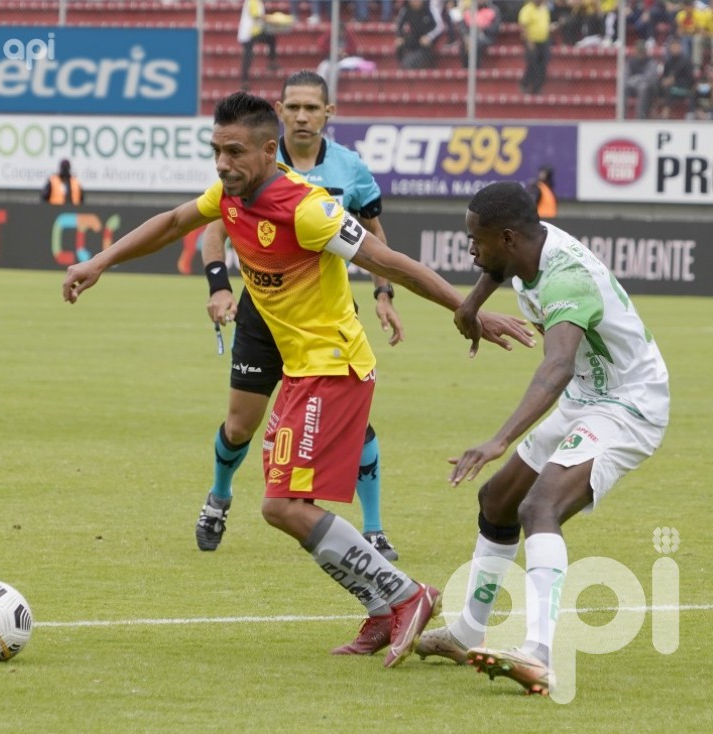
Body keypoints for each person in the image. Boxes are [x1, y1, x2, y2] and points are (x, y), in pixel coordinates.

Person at [62, 92, 535, 665]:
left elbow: (392, 262)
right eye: (215, 150)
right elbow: (173, 222)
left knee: (282, 505)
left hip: (333, 368)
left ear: (268, 149)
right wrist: (99, 262)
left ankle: (407, 595)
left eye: (234, 151)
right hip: (301, 372)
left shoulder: (308, 210)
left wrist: (469, 311)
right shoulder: (230, 195)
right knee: (287, 502)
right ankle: (388, 609)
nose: (221, 163)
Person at [416, 181, 669, 695]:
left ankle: (539, 654)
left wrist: (499, 440)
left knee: (540, 508)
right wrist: (470, 306)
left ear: (508, 237)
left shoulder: (566, 279)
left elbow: (554, 367)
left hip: (629, 404)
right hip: (587, 395)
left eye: (476, 239)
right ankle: (468, 632)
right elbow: (495, 266)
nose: (471, 248)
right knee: (497, 500)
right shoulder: (524, 249)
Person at [196, 71, 400, 560]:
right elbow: (212, 227)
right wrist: (220, 287)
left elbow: (374, 235)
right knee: (240, 424)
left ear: (329, 113)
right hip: (262, 315)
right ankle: (219, 498)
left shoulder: (350, 168)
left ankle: (373, 528)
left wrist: (384, 294)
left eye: (313, 107)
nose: (303, 116)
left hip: (324, 317)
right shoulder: (251, 157)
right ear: (280, 111)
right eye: (294, 107)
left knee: (357, 426)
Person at [238, 0, 279, 90]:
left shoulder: (259, 2)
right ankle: (244, 81)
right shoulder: (253, 1)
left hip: (255, 32)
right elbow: (256, 16)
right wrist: (272, 19)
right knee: (248, 57)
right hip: (248, 33)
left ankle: (271, 63)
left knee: (271, 39)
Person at [394, 0, 446, 69]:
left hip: (428, 40)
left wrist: (429, 36)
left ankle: (426, 63)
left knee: (425, 46)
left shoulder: (430, 8)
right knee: (399, 44)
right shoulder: (405, 9)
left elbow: (440, 26)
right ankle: (403, 63)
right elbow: (399, 24)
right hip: (414, 37)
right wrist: (400, 36)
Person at [656, 36, 696, 118]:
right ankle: (652, 110)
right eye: (673, 46)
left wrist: (675, 81)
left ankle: (665, 113)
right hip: (670, 88)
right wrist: (664, 81)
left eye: (677, 46)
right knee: (655, 84)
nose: (675, 48)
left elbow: (690, 80)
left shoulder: (686, 61)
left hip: (684, 89)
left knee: (669, 88)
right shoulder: (668, 62)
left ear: (680, 47)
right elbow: (664, 76)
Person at [518, 0, 551, 95]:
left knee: (543, 64)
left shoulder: (544, 9)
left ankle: (537, 87)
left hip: (544, 41)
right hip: (532, 41)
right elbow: (523, 26)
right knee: (533, 63)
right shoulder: (527, 9)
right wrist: (528, 41)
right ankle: (524, 84)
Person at [456, 0, 502, 69]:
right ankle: (466, 67)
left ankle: (476, 68)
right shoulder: (469, 10)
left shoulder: (493, 10)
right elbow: (463, 27)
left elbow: (495, 28)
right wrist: (466, 36)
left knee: (477, 43)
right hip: (470, 36)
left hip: (487, 36)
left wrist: (482, 28)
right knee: (464, 44)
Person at [625, 38, 660, 119]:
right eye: (638, 50)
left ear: (645, 51)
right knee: (623, 88)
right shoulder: (630, 62)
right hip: (633, 86)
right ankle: (622, 116)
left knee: (643, 87)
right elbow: (626, 77)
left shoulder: (651, 61)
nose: (640, 52)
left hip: (649, 88)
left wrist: (637, 79)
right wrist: (632, 82)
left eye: (642, 50)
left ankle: (640, 117)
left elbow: (650, 78)